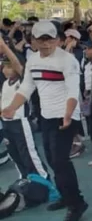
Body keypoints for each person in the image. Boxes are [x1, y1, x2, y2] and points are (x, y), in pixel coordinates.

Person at [2, 20, 87, 221]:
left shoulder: (67, 60)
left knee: (60, 160)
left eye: (50, 39)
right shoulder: (33, 61)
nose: (47, 44)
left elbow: (73, 89)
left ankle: (76, 203)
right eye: (42, 40)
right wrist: (12, 107)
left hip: (66, 115)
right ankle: (66, 197)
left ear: (58, 40)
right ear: (34, 41)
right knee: (51, 158)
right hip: (47, 115)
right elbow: (26, 89)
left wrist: (67, 114)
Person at [0, 38, 48, 180]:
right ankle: (26, 179)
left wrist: (3, 45)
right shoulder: (5, 84)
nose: (5, 70)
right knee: (15, 155)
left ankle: (44, 181)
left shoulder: (23, 81)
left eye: (9, 67)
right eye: (4, 67)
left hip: (20, 123)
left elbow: (16, 62)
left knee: (28, 154)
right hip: (7, 124)